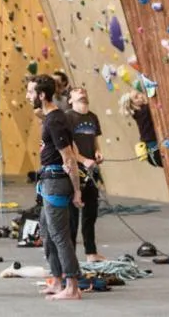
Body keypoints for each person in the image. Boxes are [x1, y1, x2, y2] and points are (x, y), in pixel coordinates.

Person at [30, 74, 82, 301]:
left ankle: (72, 286)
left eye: (31, 92)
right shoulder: (52, 118)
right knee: (47, 232)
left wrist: (77, 190)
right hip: (48, 181)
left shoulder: (55, 121)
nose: (27, 96)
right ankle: (58, 279)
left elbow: (68, 157)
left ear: (41, 95)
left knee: (60, 235)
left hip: (56, 182)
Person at [66, 88, 104, 262]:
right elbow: (67, 146)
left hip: (91, 169)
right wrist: (82, 160)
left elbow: (95, 140)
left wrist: (97, 152)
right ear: (70, 100)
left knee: (91, 213)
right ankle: (70, 256)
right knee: (72, 215)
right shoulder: (67, 118)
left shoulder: (93, 117)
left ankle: (91, 252)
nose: (81, 92)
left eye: (83, 90)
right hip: (75, 170)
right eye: (76, 91)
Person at [121, 90, 162, 167]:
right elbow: (151, 105)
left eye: (139, 94)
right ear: (132, 105)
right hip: (153, 147)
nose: (140, 96)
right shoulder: (142, 112)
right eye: (136, 97)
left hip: (151, 145)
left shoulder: (139, 112)